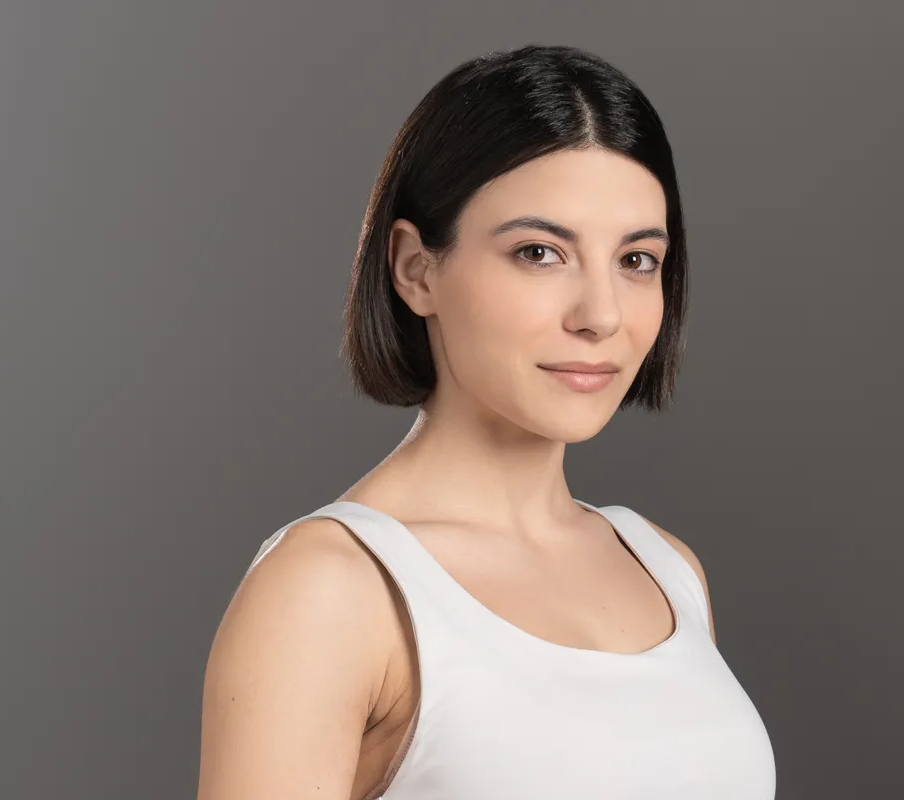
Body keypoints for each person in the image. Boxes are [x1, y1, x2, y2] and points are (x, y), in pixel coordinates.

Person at [196, 44, 776, 799]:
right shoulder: (330, 589)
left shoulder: (667, 568)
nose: (601, 315)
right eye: (540, 252)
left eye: (636, 261)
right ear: (416, 268)